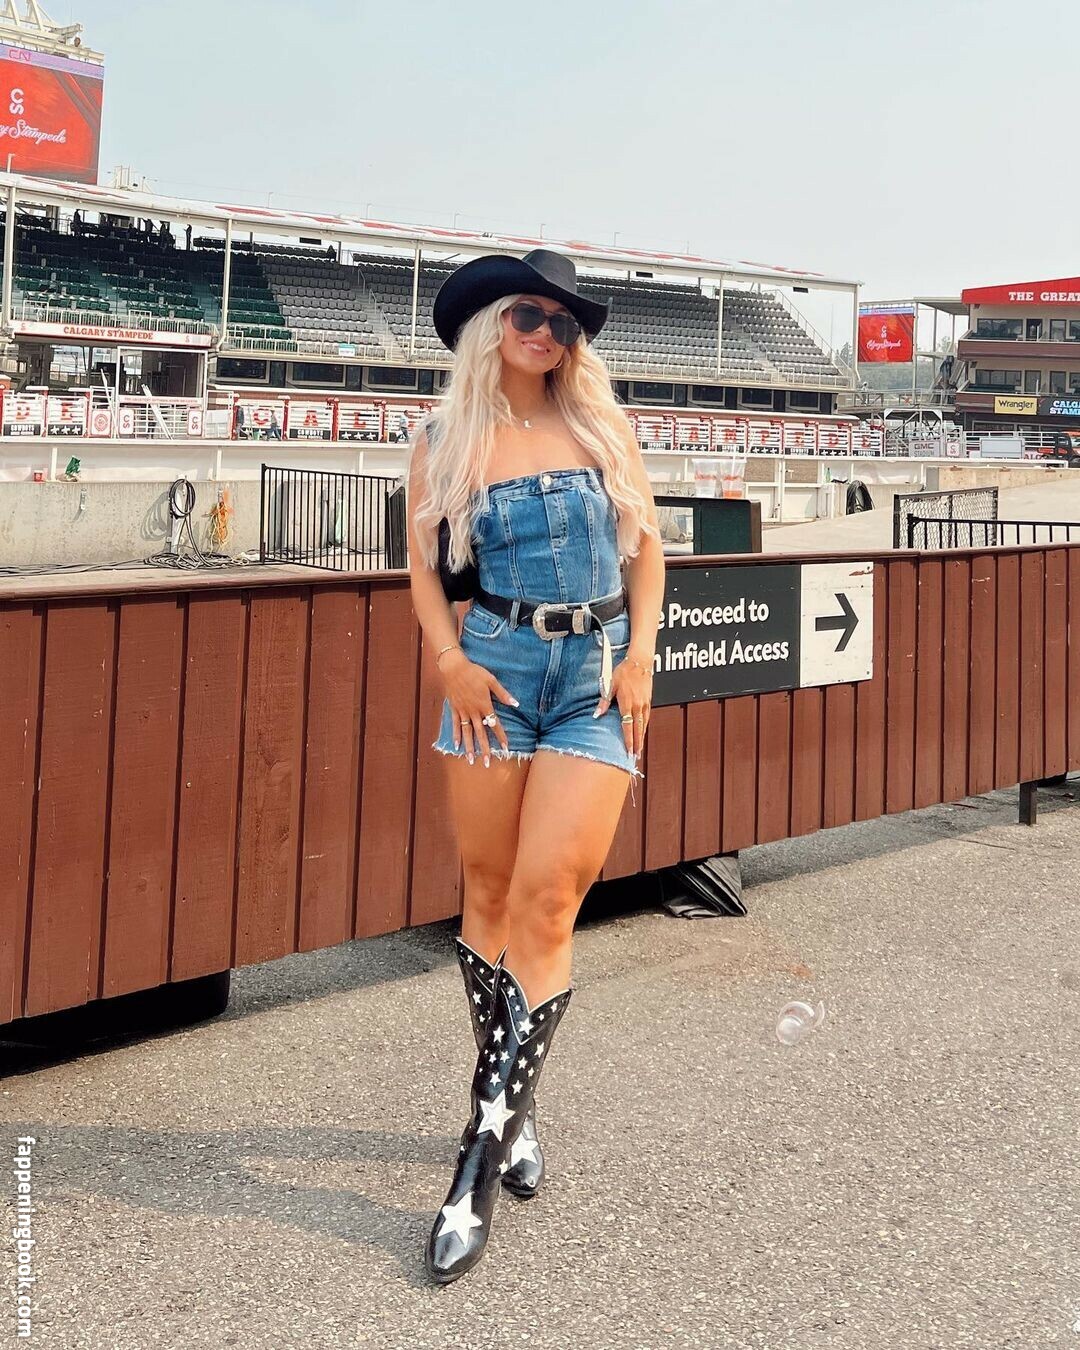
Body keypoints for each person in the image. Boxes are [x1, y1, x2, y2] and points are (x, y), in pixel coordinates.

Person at [406, 248, 665, 1284]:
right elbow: (424, 570)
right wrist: (451, 663)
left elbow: (648, 548)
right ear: (491, 325)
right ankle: (513, 1112)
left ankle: (476, 1155)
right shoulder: (443, 438)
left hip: (598, 674)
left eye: (564, 323)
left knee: (549, 899)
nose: (547, 335)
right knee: (488, 891)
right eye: (529, 315)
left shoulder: (602, 425)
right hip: (497, 670)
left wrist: (643, 656)